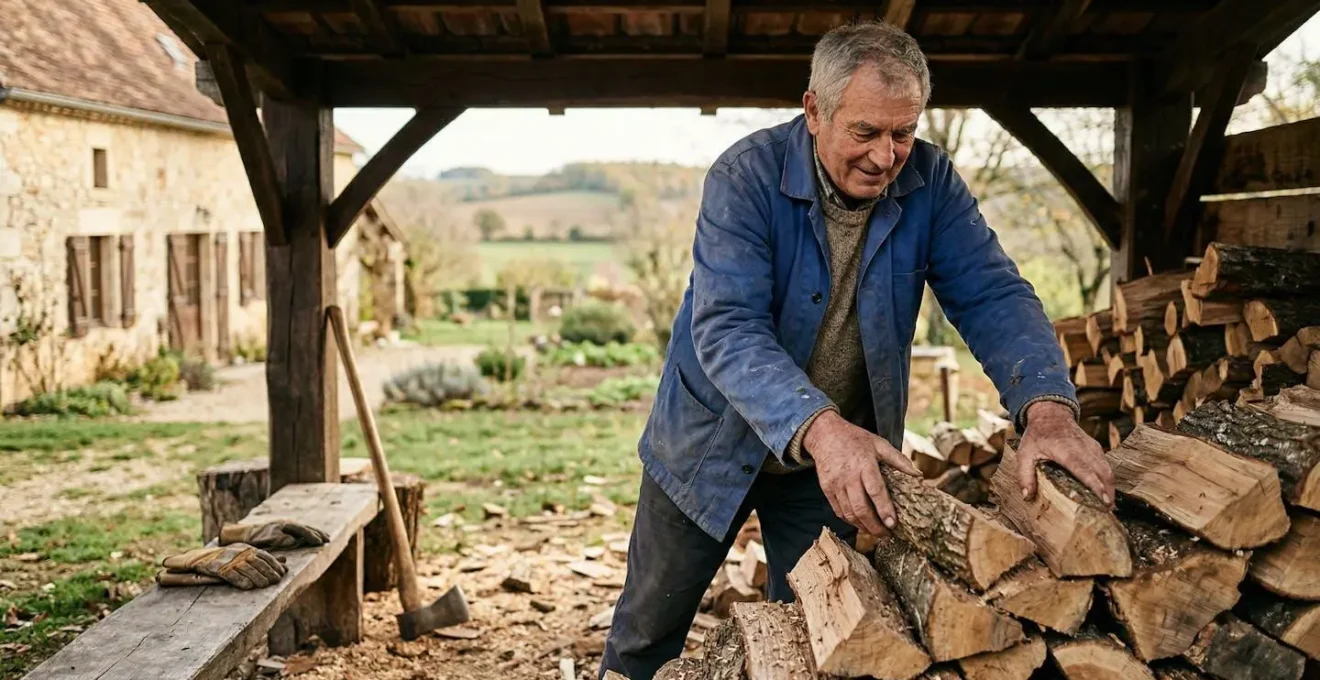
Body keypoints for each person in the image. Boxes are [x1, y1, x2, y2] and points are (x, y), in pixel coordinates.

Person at [597, 19, 1114, 680]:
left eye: (904, 132)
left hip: (828, 465)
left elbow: (992, 295)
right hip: (708, 447)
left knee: (824, 639)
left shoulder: (932, 182)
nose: (886, 155)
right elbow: (727, 327)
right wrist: (819, 429)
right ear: (814, 110)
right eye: (866, 132)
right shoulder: (745, 178)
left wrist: (1046, 408)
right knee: (646, 634)